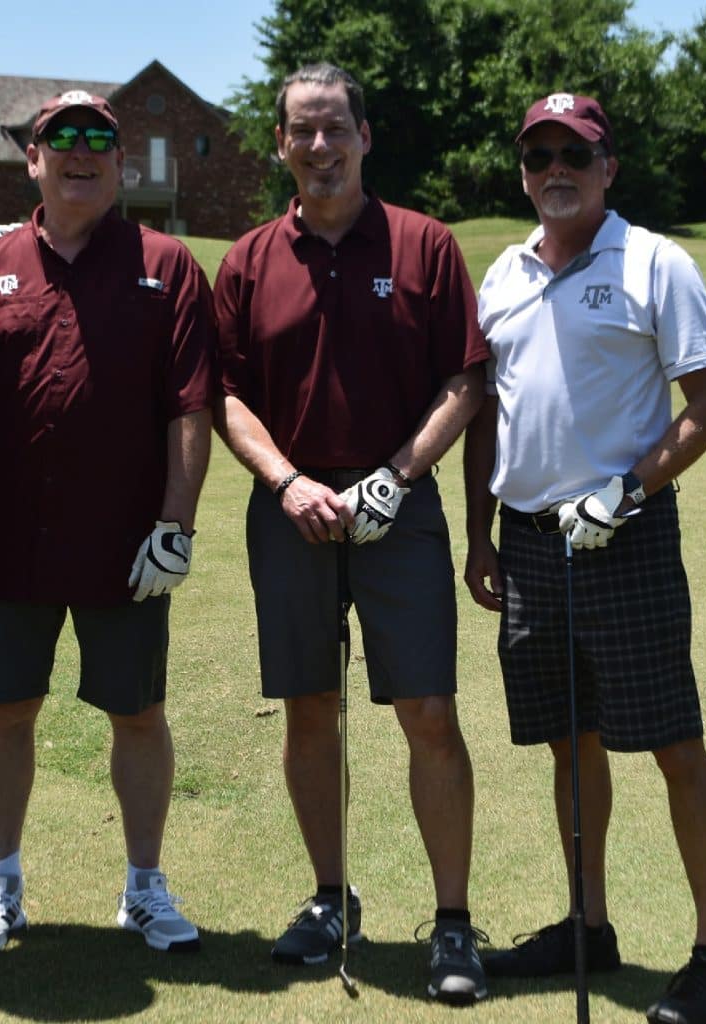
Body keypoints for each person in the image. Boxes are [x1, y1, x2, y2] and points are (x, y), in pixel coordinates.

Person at [464, 93, 706, 1024]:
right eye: (538, 154)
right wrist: (478, 533)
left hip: (622, 536)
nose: (555, 169)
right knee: (568, 739)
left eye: (573, 153)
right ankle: (590, 926)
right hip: (532, 543)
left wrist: (625, 493)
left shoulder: (654, 262)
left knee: (673, 742)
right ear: (523, 169)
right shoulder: (501, 274)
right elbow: (487, 413)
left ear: (607, 166)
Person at [214, 63, 489, 1004]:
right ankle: (332, 898)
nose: (320, 146)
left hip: (397, 511)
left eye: (336, 129)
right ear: (281, 143)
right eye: (303, 131)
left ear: (365, 136)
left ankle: (452, 923)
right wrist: (287, 482)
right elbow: (228, 394)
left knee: (427, 713)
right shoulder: (249, 258)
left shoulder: (424, 245)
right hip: (289, 510)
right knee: (308, 710)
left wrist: (398, 478)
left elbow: (465, 381)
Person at [0, 90, 214, 955]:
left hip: (127, 543)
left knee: (138, 713)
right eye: (62, 139)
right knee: (4, 710)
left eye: (100, 138)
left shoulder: (165, 264)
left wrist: (176, 525)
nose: (82, 152)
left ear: (121, 162)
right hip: (11, 536)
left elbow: (189, 407)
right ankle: (3, 885)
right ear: (33, 159)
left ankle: (143, 888)